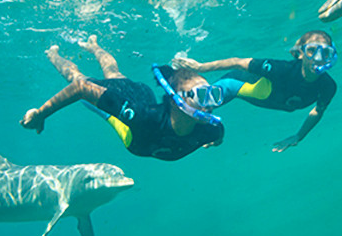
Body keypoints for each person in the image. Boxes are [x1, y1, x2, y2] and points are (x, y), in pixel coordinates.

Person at [20, 35, 223, 161]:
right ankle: (53, 55)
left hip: (143, 97)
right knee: (80, 78)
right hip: (134, 124)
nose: (210, 104)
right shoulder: (142, 117)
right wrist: (40, 114)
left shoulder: (212, 129)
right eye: (201, 96)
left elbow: (218, 136)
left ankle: (93, 46)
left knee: (114, 74)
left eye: (213, 95)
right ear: (175, 100)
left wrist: (213, 142)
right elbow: (80, 88)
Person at [172, 30, 337, 152]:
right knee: (192, 106)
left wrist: (298, 136)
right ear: (300, 53)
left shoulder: (328, 86)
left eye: (326, 52)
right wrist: (200, 67)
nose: (318, 58)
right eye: (312, 50)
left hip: (267, 98)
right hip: (236, 84)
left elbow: (318, 110)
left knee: (199, 120)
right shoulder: (281, 69)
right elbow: (238, 62)